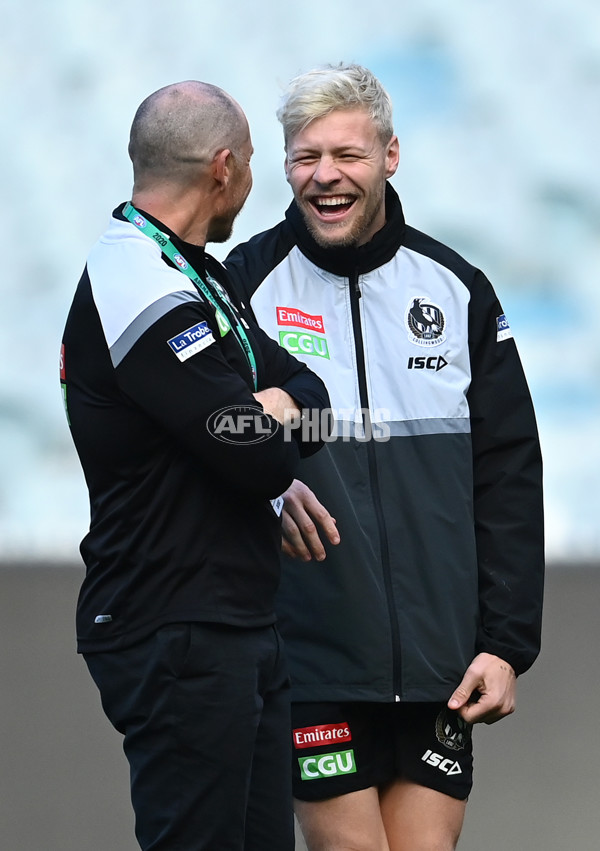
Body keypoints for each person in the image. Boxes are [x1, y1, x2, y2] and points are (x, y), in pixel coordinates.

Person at [225, 63, 545, 851]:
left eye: (348, 155)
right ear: (285, 164)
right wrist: (269, 493)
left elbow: (508, 476)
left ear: (391, 156)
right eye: (305, 156)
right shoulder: (242, 286)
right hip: (310, 660)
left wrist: (505, 644)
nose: (325, 176)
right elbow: (203, 447)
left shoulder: (457, 287)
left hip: (440, 663)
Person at [60, 80, 331, 851]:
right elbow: (259, 454)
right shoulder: (135, 281)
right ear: (223, 168)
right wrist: (266, 421)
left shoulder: (195, 273)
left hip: (235, 622)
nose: (253, 179)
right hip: (174, 624)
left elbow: (314, 401)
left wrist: (269, 412)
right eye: (251, 162)